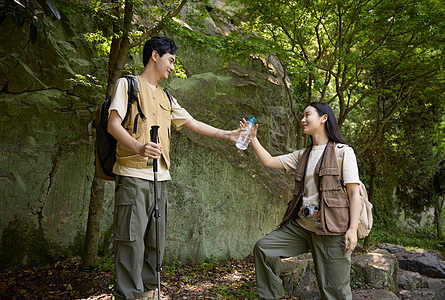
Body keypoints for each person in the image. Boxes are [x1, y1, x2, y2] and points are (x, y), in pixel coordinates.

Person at [107, 36, 241, 300]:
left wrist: (229, 135)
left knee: (155, 241)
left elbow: (194, 124)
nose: (172, 67)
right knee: (130, 242)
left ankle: (149, 291)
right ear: (155, 56)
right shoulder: (128, 84)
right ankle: (128, 296)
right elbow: (113, 125)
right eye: (171, 60)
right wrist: (138, 147)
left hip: (161, 179)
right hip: (132, 176)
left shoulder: (167, 97)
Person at [247, 102, 361, 300]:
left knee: (334, 291)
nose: (302, 119)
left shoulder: (343, 152)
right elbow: (269, 161)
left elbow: (354, 194)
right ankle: (272, 296)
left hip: (332, 230)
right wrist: (253, 139)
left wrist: (352, 229)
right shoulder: (303, 155)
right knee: (264, 248)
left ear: (324, 118)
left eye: (307, 115)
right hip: (302, 227)